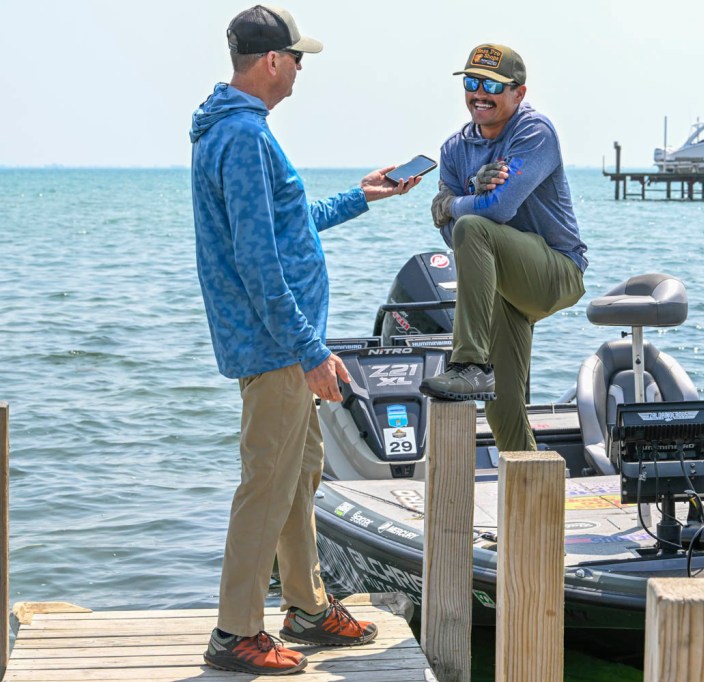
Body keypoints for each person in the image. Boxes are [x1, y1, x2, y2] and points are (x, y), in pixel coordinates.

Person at [189, 5, 420, 675]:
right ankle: (235, 633)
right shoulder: (243, 138)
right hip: (276, 347)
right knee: (267, 482)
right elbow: (258, 260)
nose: (299, 69)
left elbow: (287, 226)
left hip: (281, 343)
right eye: (296, 58)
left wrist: (362, 195)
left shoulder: (238, 130)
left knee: (300, 473)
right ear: (271, 62)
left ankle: (308, 607)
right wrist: (309, 350)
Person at [420, 44, 587, 452]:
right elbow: (455, 238)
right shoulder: (454, 150)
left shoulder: (534, 132)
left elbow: (496, 209)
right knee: (502, 409)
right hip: (501, 283)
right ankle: (529, 478)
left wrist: (454, 203)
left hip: (556, 271)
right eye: (472, 82)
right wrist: (471, 193)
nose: (480, 93)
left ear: (519, 93)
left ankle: (469, 363)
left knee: (473, 224)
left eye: (493, 85)